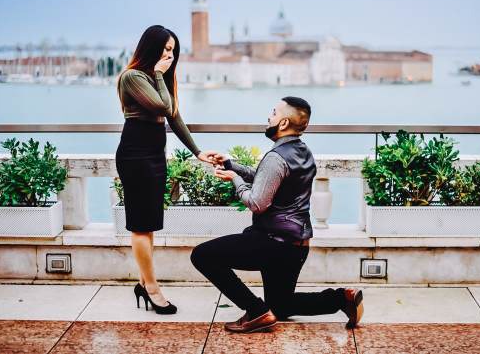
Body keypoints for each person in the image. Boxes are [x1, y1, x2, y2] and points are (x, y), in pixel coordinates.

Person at [190, 96, 364, 333]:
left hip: (271, 243)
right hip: (296, 246)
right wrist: (232, 165)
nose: (268, 117)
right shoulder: (304, 152)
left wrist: (235, 180)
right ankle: (342, 299)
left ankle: (256, 311)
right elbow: (268, 180)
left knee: (202, 256)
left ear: (283, 123)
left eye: (273, 113)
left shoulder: (276, 157)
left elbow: (257, 203)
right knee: (281, 305)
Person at [115, 25, 215, 314]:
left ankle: (142, 282)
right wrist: (159, 73)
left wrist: (197, 152)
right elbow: (160, 108)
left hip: (155, 155)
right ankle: (152, 288)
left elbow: (174, 116)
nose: (169, 54)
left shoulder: (158, 79)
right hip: (135, 155)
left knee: (149, 224)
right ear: (150, 47)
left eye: (173, 50)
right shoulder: (133, 77)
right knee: (141, 225)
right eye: (165, 48)